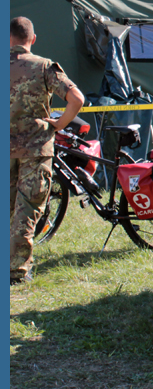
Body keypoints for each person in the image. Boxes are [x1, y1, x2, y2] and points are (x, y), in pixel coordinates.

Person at [10, 17, 85, 284]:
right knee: (27, 209)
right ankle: (17, 271)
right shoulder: (43, 67)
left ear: (8, 39)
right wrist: (59, 124)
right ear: (33, 39)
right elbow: (77, 99)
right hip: (35, 148)